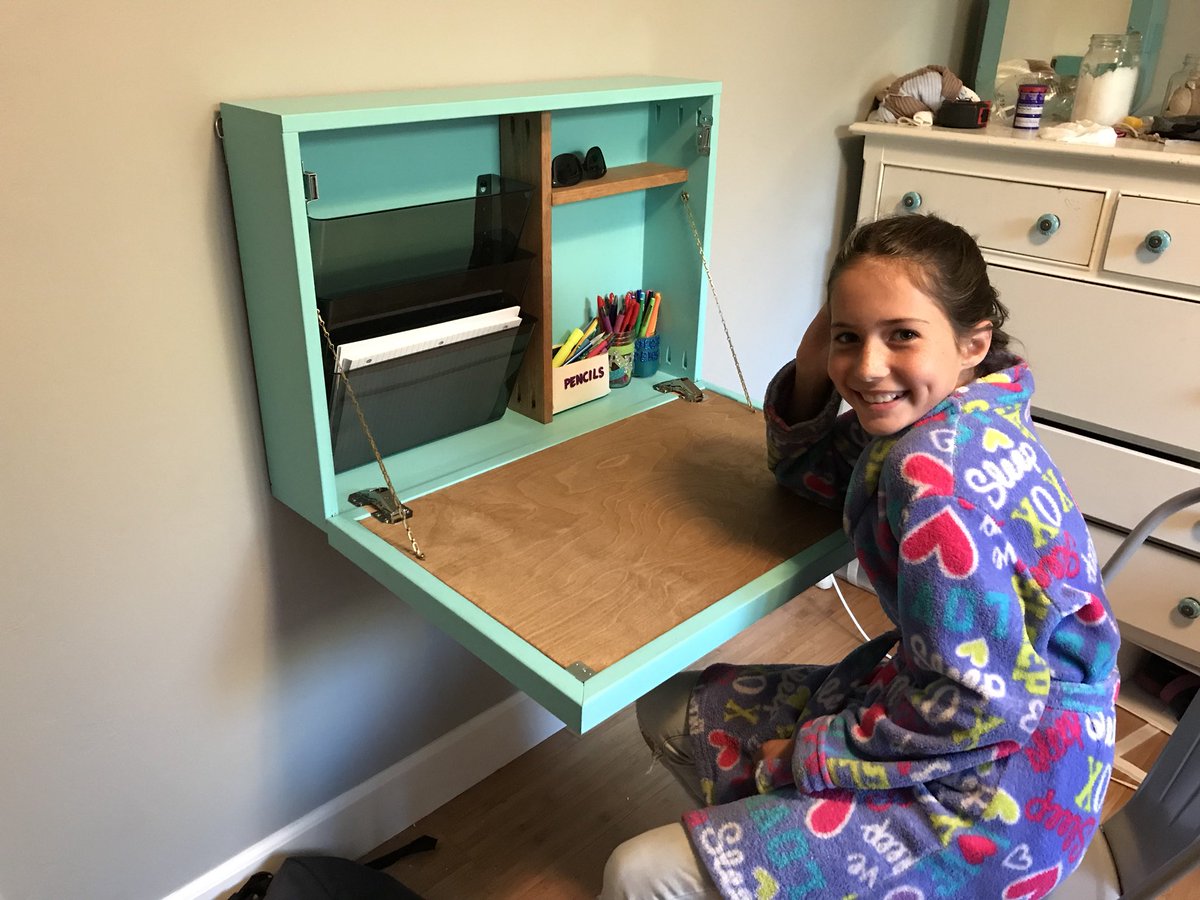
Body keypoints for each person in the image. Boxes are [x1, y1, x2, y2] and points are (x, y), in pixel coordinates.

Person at [600, 214, 1120, 900]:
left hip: (1000, 796)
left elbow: (977, 708)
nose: (868, 366)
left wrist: (816, 757)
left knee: (636, 874)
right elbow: (810, 471)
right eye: (849, 336)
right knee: (675, 710)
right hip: (975, 718)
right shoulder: (964, 411)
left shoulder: (936, 480)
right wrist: (825, 350)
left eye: (901, 334)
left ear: (972, 343)